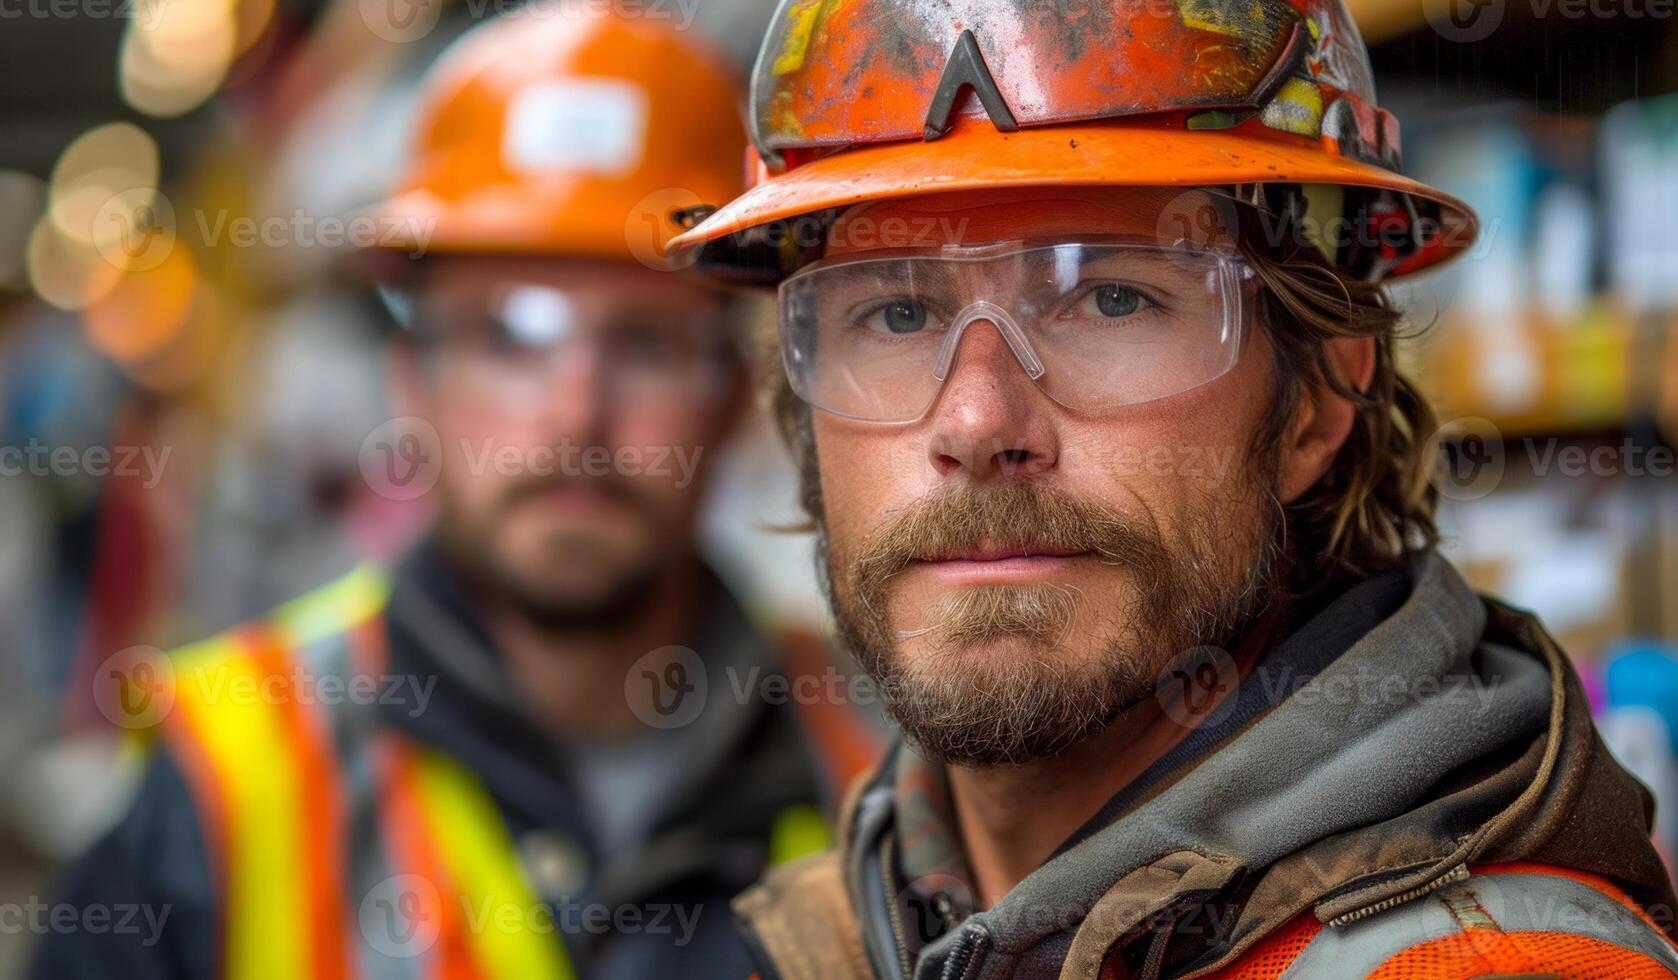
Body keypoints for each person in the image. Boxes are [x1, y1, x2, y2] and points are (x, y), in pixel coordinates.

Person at [669, 1, 1678, 977]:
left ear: (1316, 402)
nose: (976, 424)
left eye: (1111, 299)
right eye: (892, 314)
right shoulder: (841, 928)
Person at [32, 8, 875, 980]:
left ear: (735, 397)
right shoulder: (222, 778)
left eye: (644, 342)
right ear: (413, 383)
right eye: (507, 338)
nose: (573, 415)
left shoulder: (878, 757)